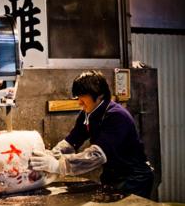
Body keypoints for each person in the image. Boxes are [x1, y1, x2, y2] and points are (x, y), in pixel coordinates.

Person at [30, 70, 154, 198]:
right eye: (78, 97)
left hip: (134, 177)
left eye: (82, 97)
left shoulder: (117, 116)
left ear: (99, 96)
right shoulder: (88, 113)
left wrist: (58, 165)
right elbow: (72, 141)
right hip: (112, 174)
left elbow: (96, 155)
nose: (79, 102)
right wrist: (53, 153)